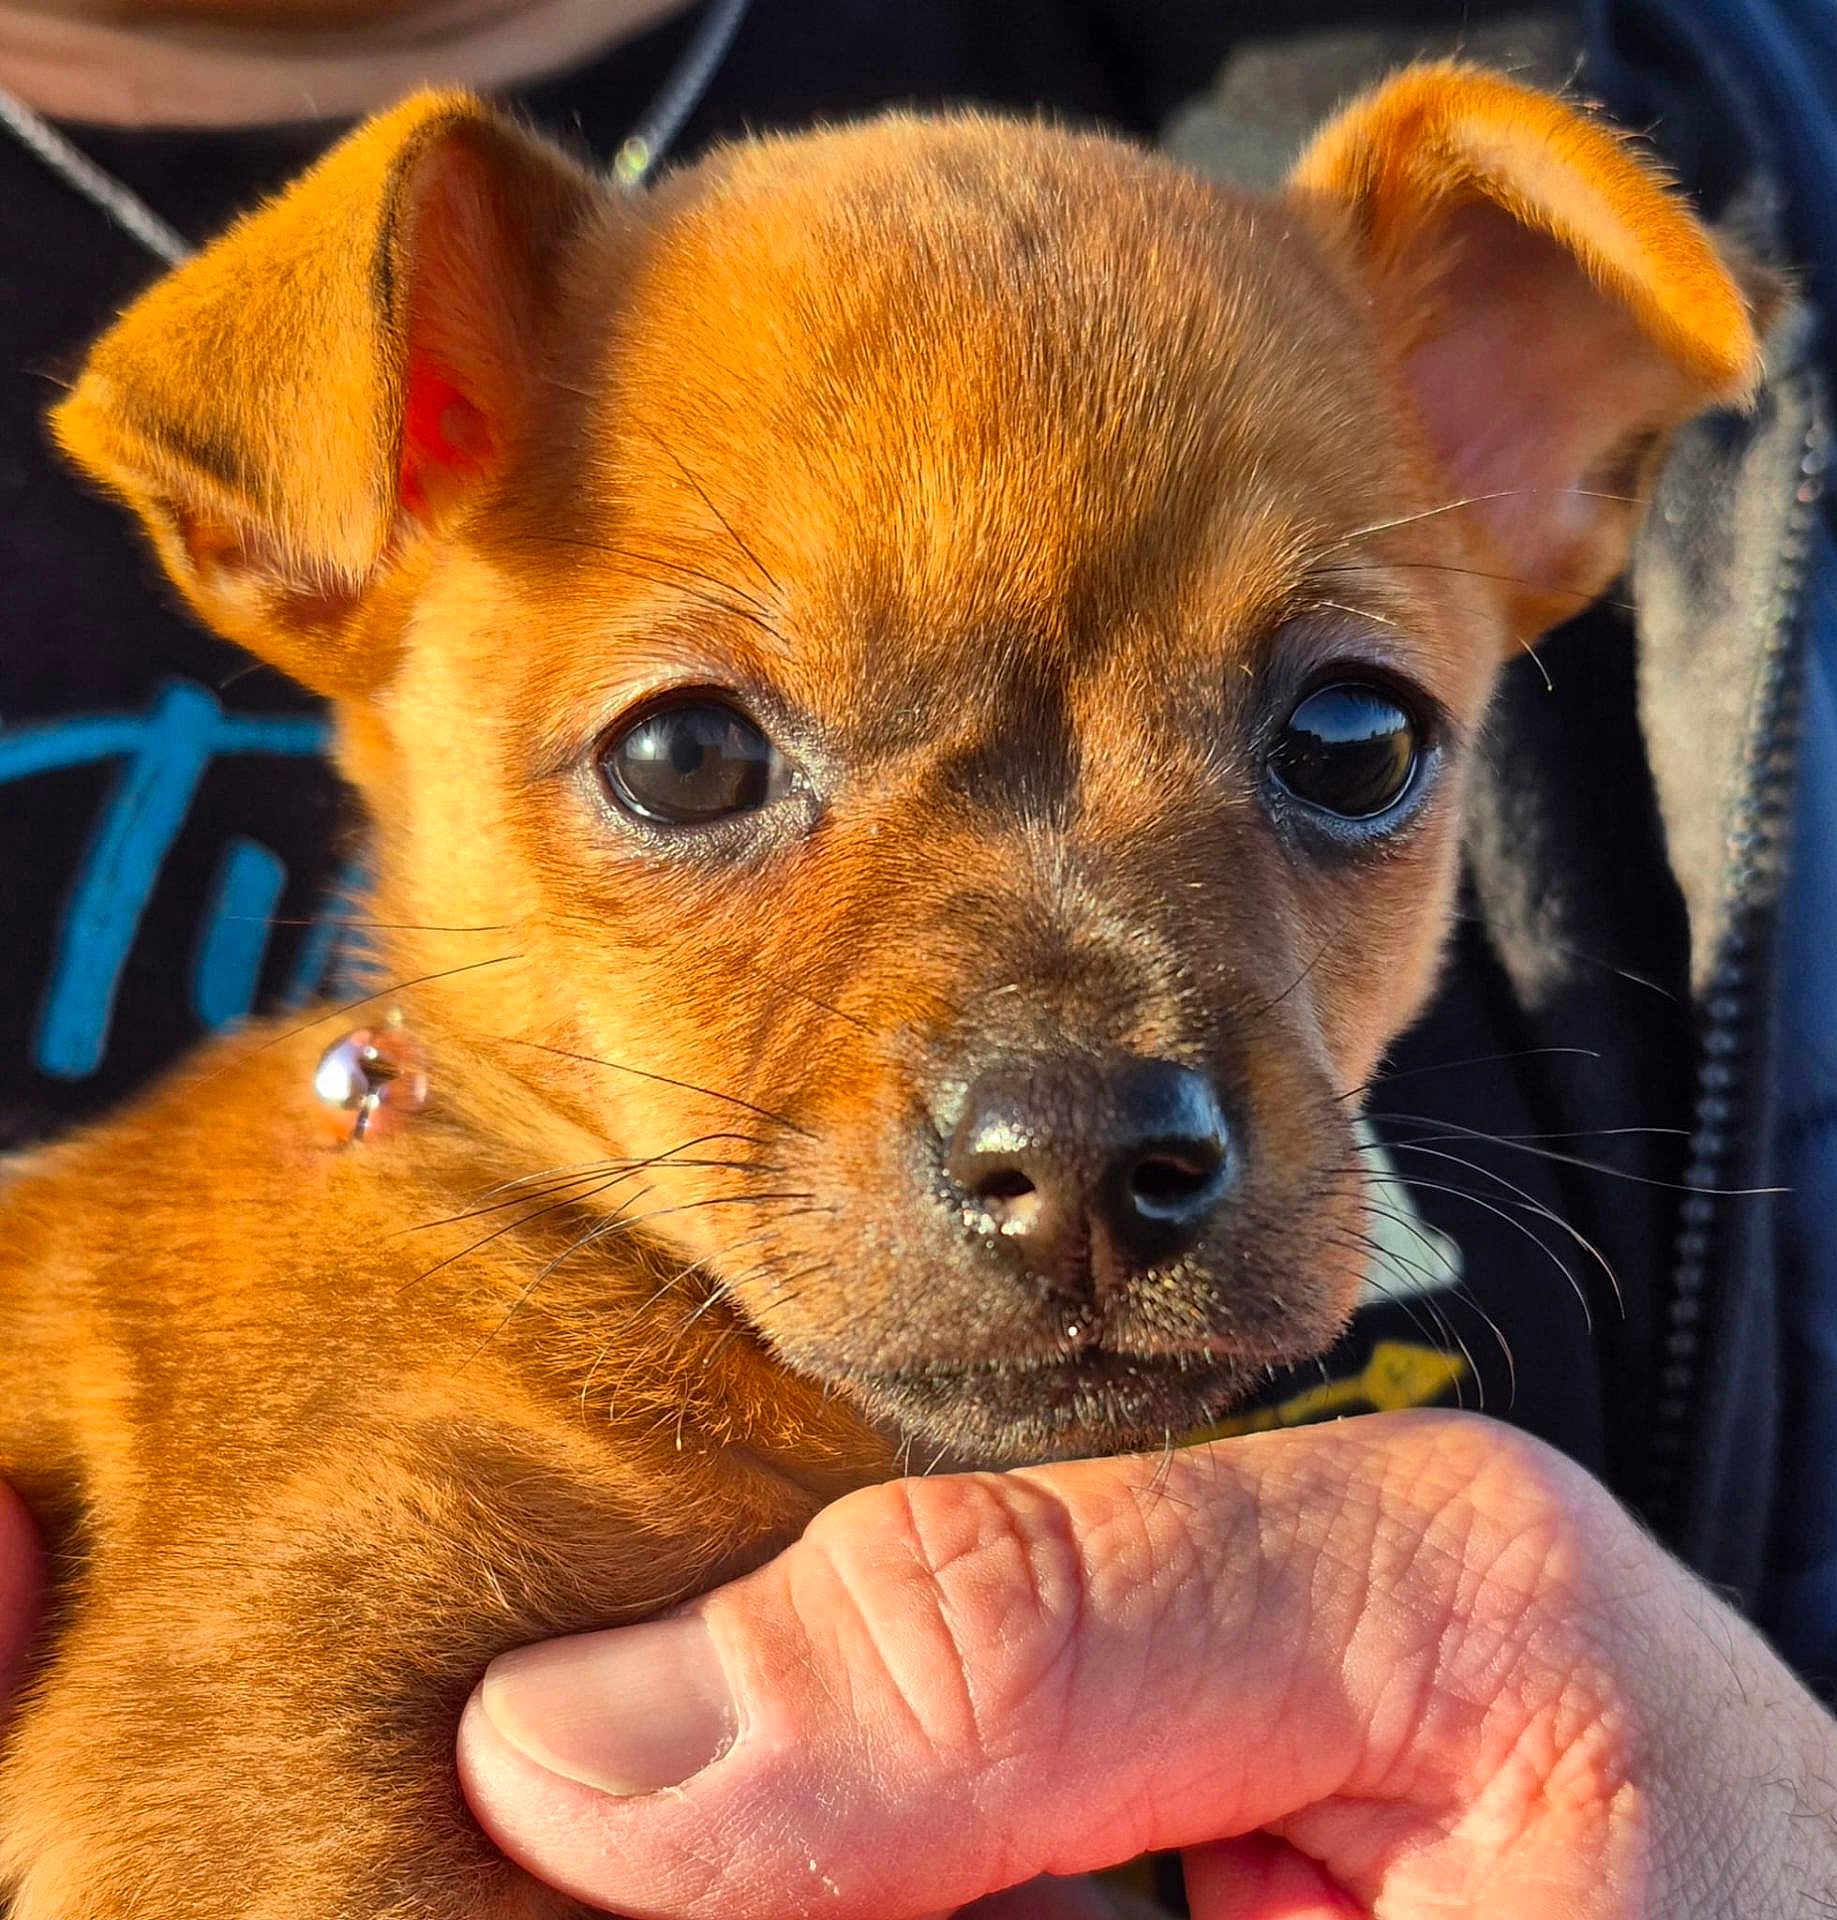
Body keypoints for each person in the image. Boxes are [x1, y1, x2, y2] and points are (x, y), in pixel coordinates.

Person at [2, 0, 1835, 1911]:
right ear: (328, 535)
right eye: (693, 764)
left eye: (1338, 750)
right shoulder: (429, 1429)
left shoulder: (1736, 86)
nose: (1082, 1116)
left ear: (1507, 455)